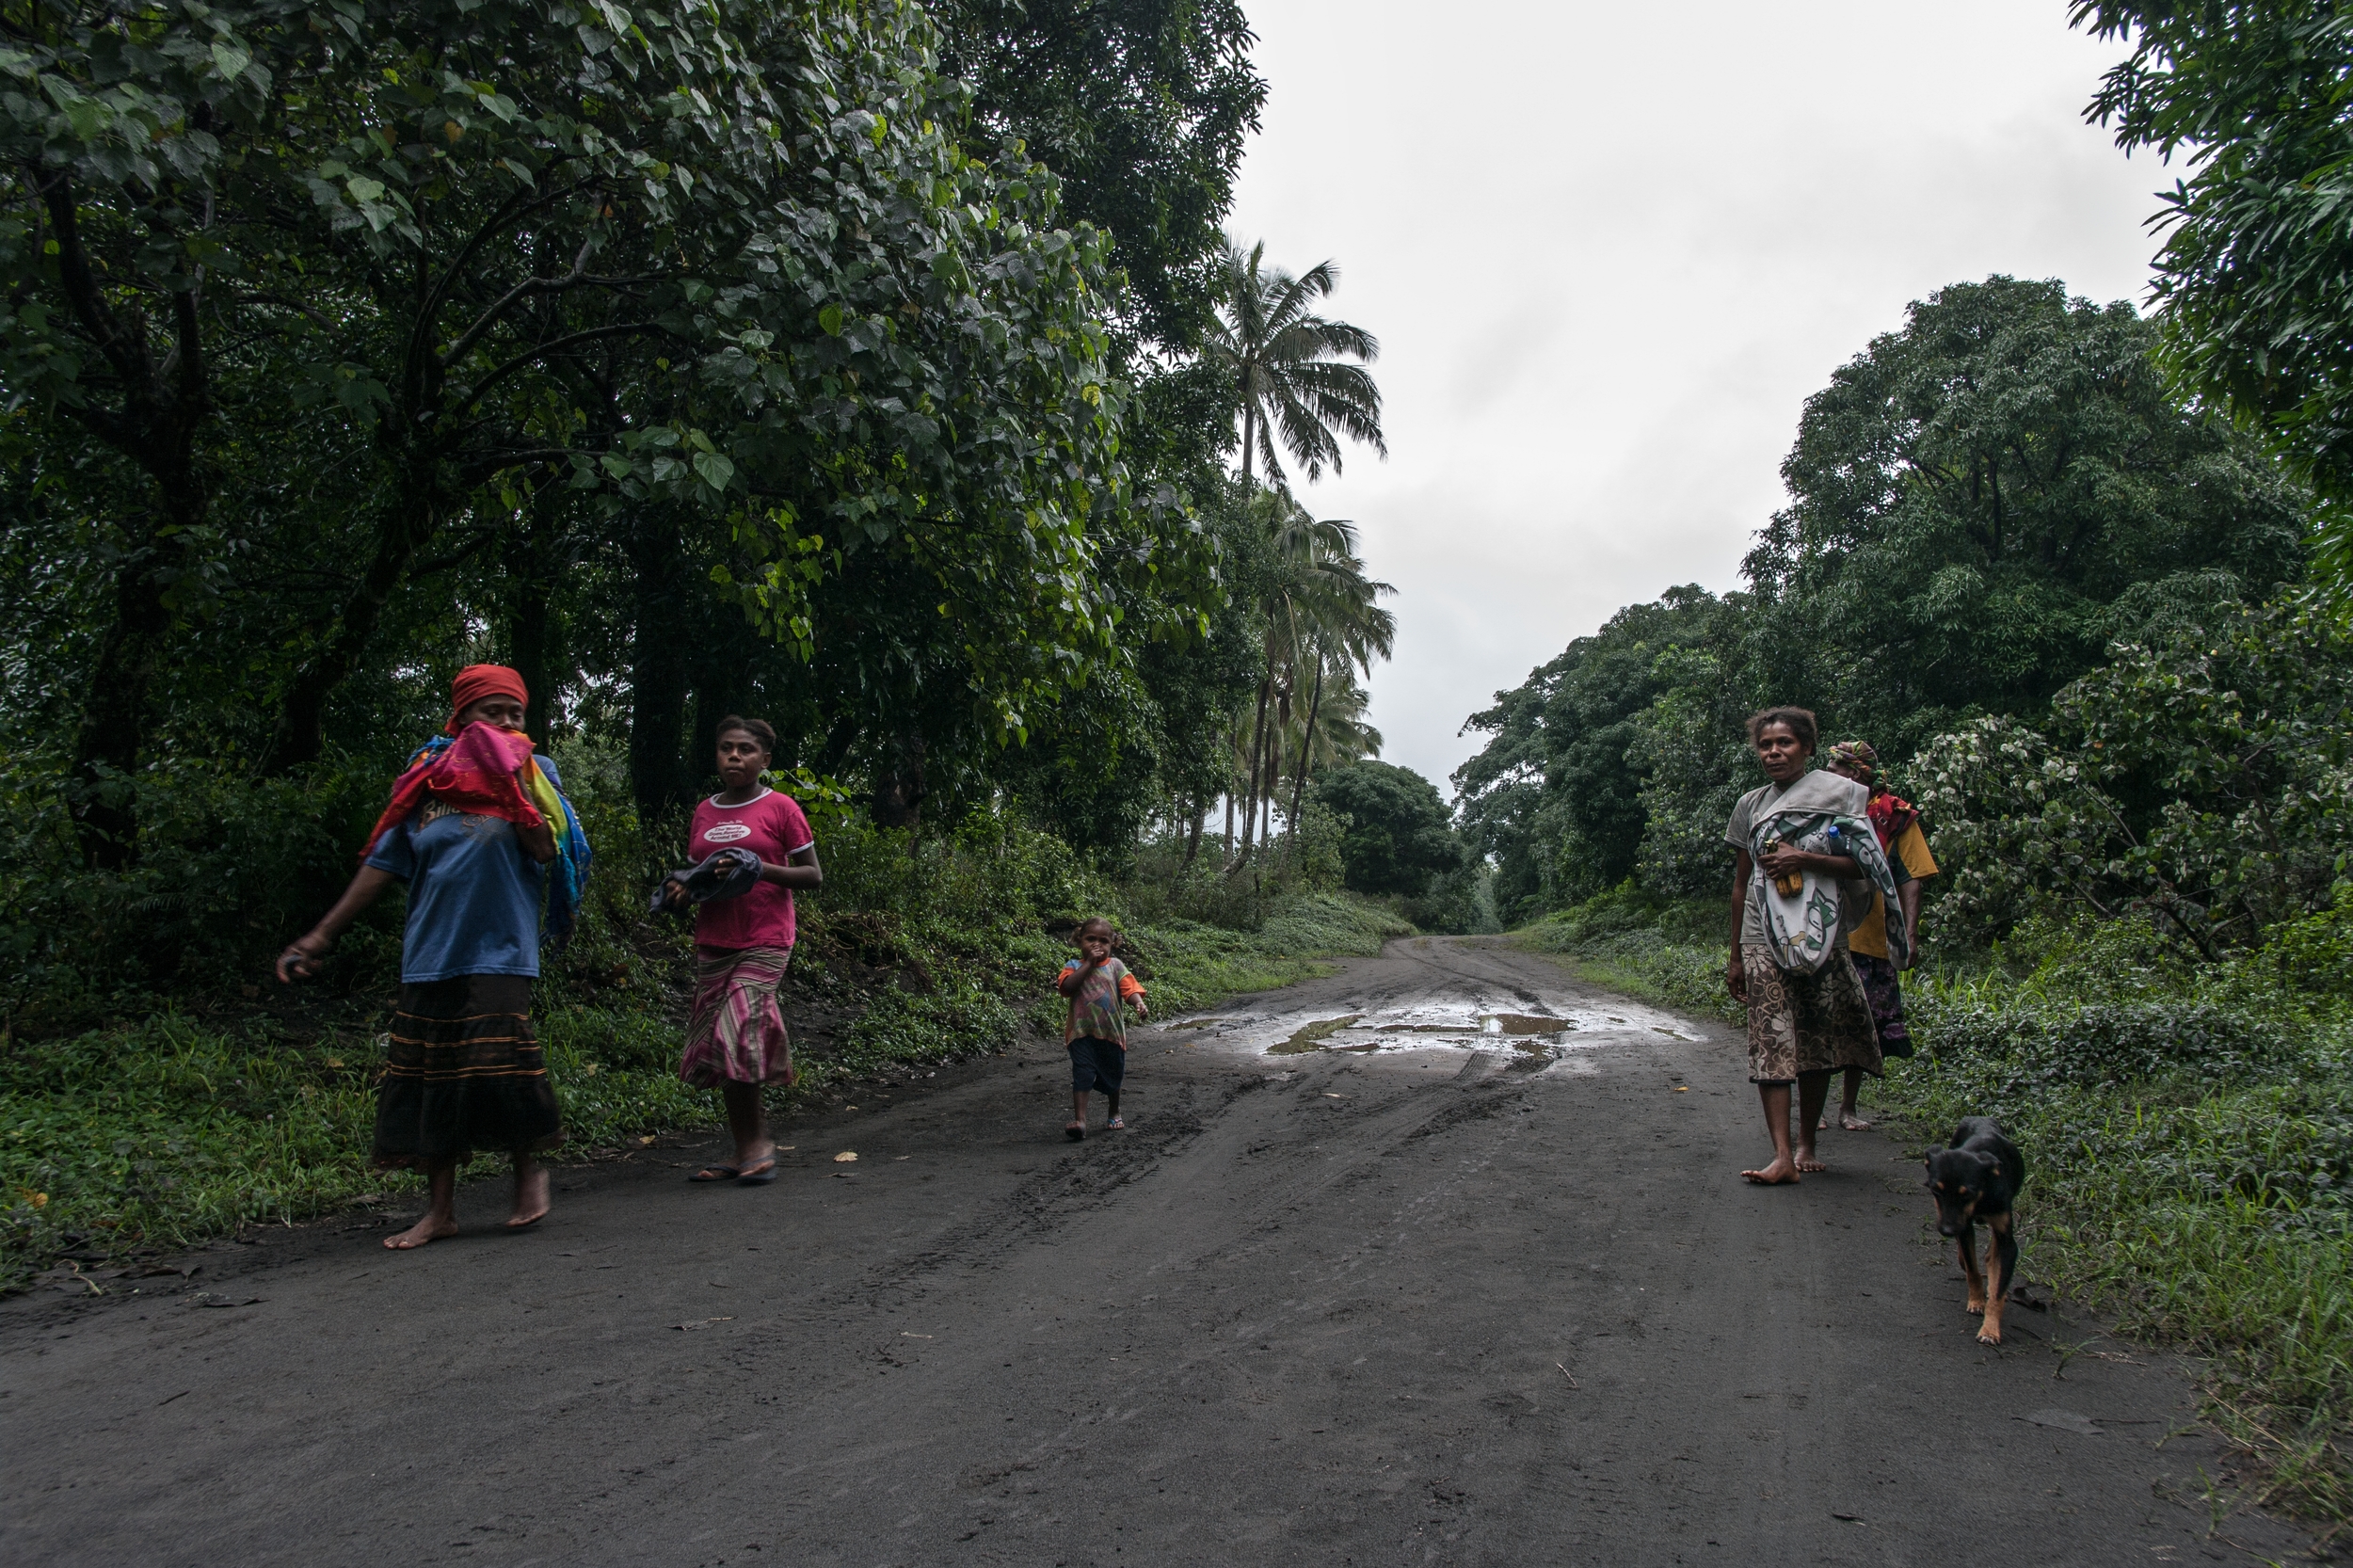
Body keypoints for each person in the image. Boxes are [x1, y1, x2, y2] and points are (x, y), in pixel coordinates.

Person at [278, 664, 591, 1249]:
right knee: (431, 1079)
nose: (503, 722)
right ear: (460, 717)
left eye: (514, 714)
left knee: (499, 1063)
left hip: (501, 949)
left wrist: (511, 785)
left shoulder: (534, 771)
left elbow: (549, 851)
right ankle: (440, 1211)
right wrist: (320, 935)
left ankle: (529, 1173)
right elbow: (383, 863)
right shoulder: (426, 779)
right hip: (430, 950)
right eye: (490, 712)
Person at [1722, 706, 1900, 1185]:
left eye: (1785, 743)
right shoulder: (1751, 805)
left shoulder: (1839, 795)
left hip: (1822, 932)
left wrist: (1804, 857)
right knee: (1771, 1038)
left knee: (1817, 1034)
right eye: (1765, 745)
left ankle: (1807, 1144)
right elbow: (1742, 884)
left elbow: (1866, 866)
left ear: (1806, 748)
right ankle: (1781, 1154)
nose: (1774, 752)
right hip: (1763, 934)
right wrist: (1736, 953)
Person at [658, 718, 822, 1187]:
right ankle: (742, 1147)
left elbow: (813, 876)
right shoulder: (703, 811)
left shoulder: (781, 807)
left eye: (746, 750)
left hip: (767, 935)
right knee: (717, 1042)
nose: (734, 756)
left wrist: (760, 868)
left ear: (764, 760)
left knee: (737, 1025)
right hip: (715, 938)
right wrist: (679, 891)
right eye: (726, 748)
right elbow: (698, 875)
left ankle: (758, 1144)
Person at [1820, 740, 1937, 1131]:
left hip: (1871, 938)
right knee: (1817, 1020)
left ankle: (1848, 1107)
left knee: (1862, 1024)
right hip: (1821, 932)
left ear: (1855, 774)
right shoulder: (1815, 806)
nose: (1829, 774)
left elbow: (1911, 877)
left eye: (1836, 768)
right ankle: (1813, 1110)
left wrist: (1909, 933)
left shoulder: (1893, 816)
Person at [1055, 917, 1146, 1141]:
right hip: (1081, 1034)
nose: (1097, 945)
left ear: (1113, 944)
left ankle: (1113, 1110)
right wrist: (1088, 963)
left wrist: (1138, 1003)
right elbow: (1067, 987)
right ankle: (1081, 1121)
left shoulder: (1116, 966)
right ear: (1079, 940)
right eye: (1090, 939)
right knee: (1082, 1073)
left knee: (1113, 1074)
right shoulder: (1073, 966)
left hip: (1111, 1034)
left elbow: (1128, 988)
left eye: (1104, 941)